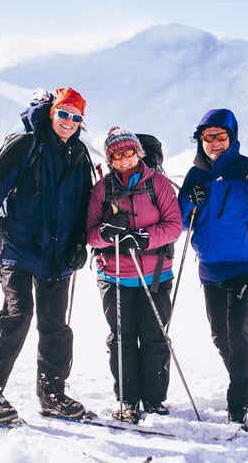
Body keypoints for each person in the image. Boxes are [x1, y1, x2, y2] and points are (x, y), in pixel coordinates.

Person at [0, 87, 93, 423]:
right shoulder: (26, 144)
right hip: (19, 247)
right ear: (52, 112)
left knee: (55, 325)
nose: (69, 121)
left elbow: (82, 205)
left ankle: (51, 393)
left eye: (76, 117)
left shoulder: (79, 155)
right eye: (64, 113)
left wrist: (80, 241)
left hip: (58, 253)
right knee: (18, 314)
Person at [177, 108, 248, 430]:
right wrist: (188, 201)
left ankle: (238, 401)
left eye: (220, 137)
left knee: (238, 328)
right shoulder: (196, 175)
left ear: (232, 137)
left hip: (246, 265)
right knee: (220, 336)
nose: (213, 143)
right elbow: (181, 223)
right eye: (207, 137)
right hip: (211, 266)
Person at [86, 127, 182, 423]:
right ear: (110, 158)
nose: (125, 159)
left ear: (139, 153)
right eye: (118, 155)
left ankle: (154, 401)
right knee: (121, 340)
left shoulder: (159, 184)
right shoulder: (102, 190)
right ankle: (127, 401)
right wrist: (107, 233)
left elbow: (174, 226)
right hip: (115, 276)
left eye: (129, 153)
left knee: (154, 338)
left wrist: (143, 238)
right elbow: (90, 235)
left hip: (154, 275)